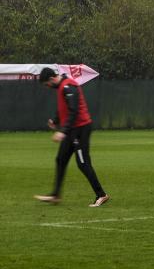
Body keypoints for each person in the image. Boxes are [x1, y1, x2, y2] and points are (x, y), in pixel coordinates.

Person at [34, 67, 109, 207]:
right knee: (61, 159)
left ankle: (101, 195)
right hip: (72, 130)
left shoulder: (68, 86)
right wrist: (56, 120)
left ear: (51, 79)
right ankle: (56, 195)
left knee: (83, 163)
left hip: (80, 129)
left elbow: (73, 111)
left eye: (47, 84)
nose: (47, 87)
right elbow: (64, 108)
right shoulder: (61, 87)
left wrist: (63, 131)